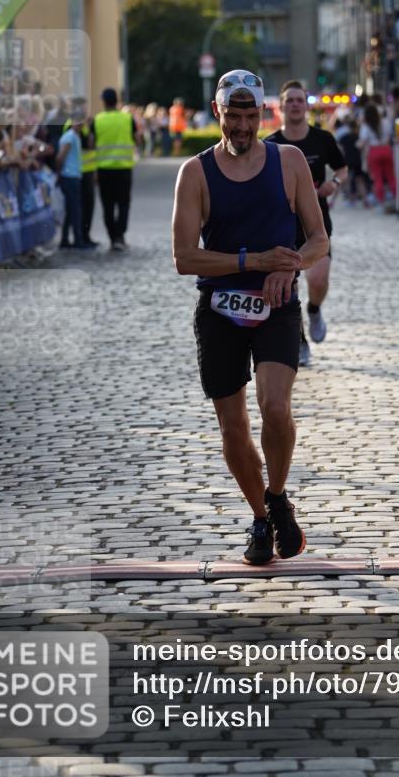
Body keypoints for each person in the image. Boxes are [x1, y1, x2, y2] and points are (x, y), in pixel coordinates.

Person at [172, 69, 329, 566]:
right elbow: (184, 258)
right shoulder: (195, 173)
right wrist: (251, 262)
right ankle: (261, 517)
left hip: (277, 304)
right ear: (217, 113)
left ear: (265, 114)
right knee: (233, 430)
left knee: (275, 407)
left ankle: (278, 495)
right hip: (219, 310)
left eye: (250, 116)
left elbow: (318, 240)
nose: (241, 127)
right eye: (232, 116)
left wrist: (291, 265)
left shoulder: (289, 161)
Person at [267, 80, 347, 366]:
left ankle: (314, 310)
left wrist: (333, 184)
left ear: (306, 104)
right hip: (284, 224)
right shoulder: (271, 144)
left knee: (318, 279)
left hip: (317, 221)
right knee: (290, 287)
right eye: (290, 100)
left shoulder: (322, 139)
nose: (296, 105)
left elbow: (342, 167)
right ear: (282, 106)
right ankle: (300, 341)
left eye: (300, 100)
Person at [93, 87, 139, 251]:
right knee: (124, 204)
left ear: (104, 101)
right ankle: (120, 236)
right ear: (117, 101)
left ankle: (113, 238)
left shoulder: (97, 120)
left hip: (104, 169)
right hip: (124, 169)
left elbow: (91, 143)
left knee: (108, 206)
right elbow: (138, 139)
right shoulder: (127, 118)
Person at [56, 109, 96, 251]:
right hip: (70, 176)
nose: (82, 125)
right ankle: (78, 240)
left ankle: (65, 239)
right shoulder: (70, 137)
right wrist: (59, 174)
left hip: (74, 175)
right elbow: (61, 157)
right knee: (75, 210)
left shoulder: (75, 136)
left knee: (70, 209)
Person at [358, 103, 396, 208]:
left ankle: (381, 201)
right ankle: (396, 197)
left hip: (374, 152)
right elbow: (389, 137)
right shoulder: (385, 122)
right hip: (386, 149)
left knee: (377, 178)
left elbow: (362, 142)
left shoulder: (365, 126)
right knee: (391, 176)